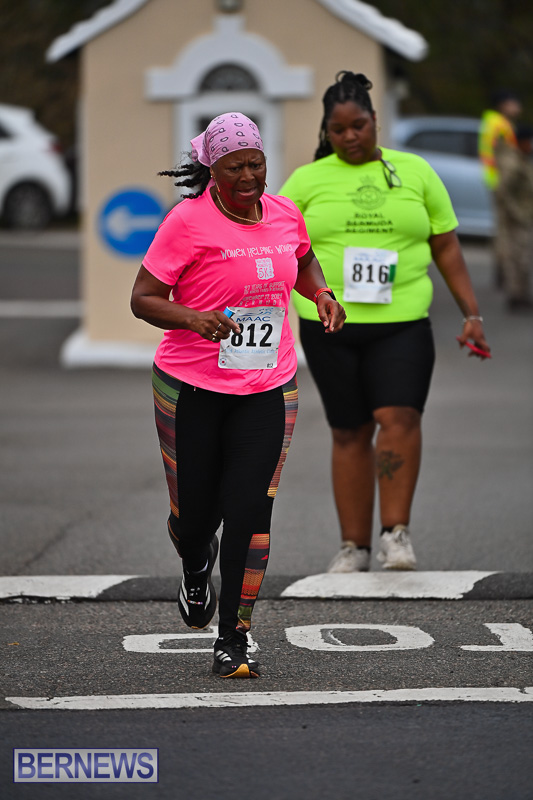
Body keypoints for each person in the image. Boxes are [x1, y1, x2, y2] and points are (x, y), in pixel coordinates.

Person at [130, 112, 345, 678]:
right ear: (213, 169)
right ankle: (195, 563)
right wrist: (194, 319)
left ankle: (235, 635)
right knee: (196, 516)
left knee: (250, 512)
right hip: (190, 386)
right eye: (235, 167)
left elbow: (301, 258)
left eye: (256, 163)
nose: (249, 175)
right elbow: (144, 297)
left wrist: (320, 293)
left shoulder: (284, 214)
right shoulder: (187, 221)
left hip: (267, 385)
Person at [279, 72, 490, 574]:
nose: (350, 137)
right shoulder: (307, 181)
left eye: (359, 126)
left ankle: (396, 533)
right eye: (338, 130)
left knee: (399, 419)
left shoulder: (414, 171)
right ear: (326, 133)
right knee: (349, 431)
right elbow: (279, 247)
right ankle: (353, 547)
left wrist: (472, 313)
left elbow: (445, 244)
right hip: (330, 325)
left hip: (402, 324)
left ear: (376, 121)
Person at [478, 90, 522, 286]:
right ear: (504, 104)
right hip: (502, 180)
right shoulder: (499, 124)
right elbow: (504, 155)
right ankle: (506, 271)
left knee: (502, 228)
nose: (518, 107)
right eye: (514, 102)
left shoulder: (491, 121)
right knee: (507, 229)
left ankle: (503, 270)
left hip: (496, 178)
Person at [493, 123, 533, 311]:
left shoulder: (522, 159)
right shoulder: (513, 162)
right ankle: (517, 296)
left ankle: (520, 294)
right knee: (518, 257)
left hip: (523, 216)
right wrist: (517, 214)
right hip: (518, 218)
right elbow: (503, 192)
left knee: (521, 256)